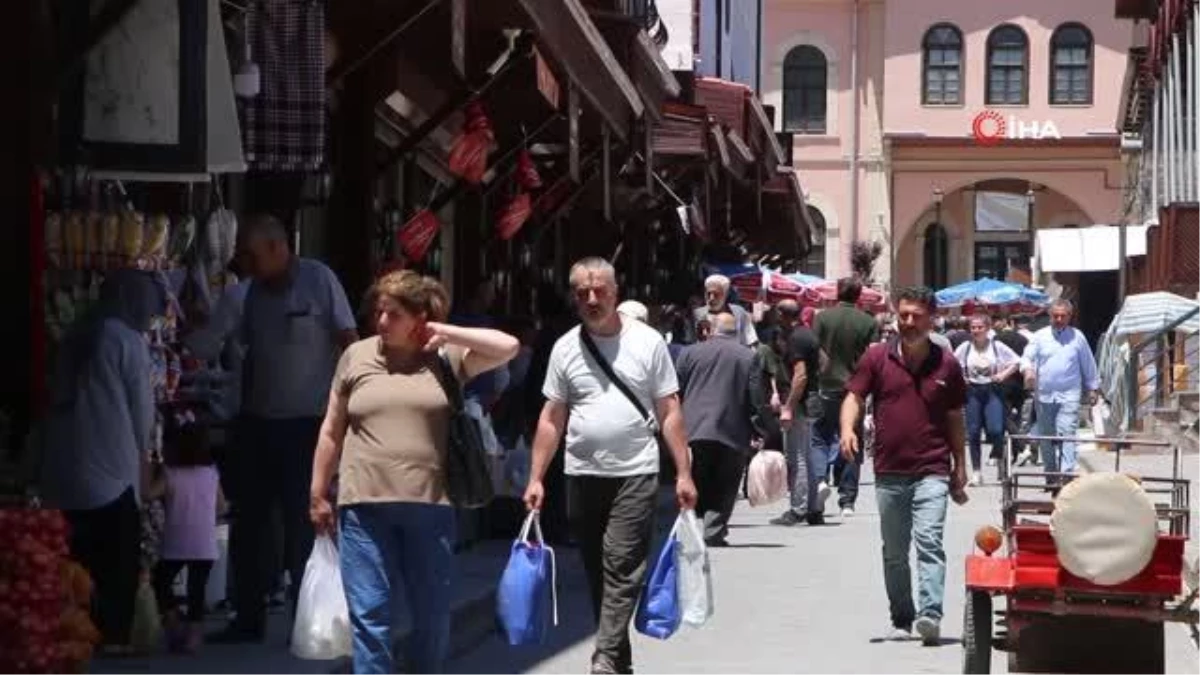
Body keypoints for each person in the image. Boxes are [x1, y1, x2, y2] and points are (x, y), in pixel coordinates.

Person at [309, 270, 519, 675]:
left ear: (419, 318)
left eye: (393, 314)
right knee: (370, 614)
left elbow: (508, 347)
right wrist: (318, 492)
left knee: (432, 613)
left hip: (429, 505)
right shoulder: (356, 356)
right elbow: (331, 430)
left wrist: (446, 331)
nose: (381, 322)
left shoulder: (445, 357)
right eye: (379, 313)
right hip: (363, 505)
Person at [523, 257, 697, 675]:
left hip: (635, 471)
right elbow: (552, 418)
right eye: (583, 292)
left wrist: (684, 470)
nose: (592, 298)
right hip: (581, 474)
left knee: (621, 562)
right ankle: (619, 662)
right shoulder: (565, 347)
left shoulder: (648, 342)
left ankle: (603, 656)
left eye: (599, 290)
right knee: (597, 570)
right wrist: (536, 477)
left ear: (616, 293)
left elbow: (669, 409)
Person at [206, 214, 359, 643]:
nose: (248, 265)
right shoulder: (249, 294)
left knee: (302, 523)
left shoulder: (319, 280)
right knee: (250, 522)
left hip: (308, 424)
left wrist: (352, 408)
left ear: (278, 248)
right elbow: (231, 346)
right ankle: (248, 616)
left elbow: (350, 341)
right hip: (256, 422)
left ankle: (307, 618)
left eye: (254, 256)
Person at [40, 270, 165, 655]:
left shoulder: (77, 334)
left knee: (76, 557)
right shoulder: (126, 340)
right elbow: (142, 410)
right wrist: (148, 458)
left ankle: (75, 631)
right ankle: (112, 635)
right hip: (111, 468)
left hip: (62, 468)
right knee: (116, 558)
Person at [839, 286, 969, 646]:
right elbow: (854, 396)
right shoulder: (877, 357)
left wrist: (960, 465)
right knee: (894, 551)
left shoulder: (947, 363)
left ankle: (930, 614)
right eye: (904, 315)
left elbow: (955, 416)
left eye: (916, 316)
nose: (908, 322)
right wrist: (847, 428)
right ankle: (902, 615)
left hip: (932, 468)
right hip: (889, 470)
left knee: (928, 541)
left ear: (932, 319)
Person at [675, 313, 763, 546]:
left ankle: (693, 525)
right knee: (726, 482)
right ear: (735, 333)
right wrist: (760, 429)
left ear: (710, 330)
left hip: (694, 428)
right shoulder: (748, 356)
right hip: (731, 429)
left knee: (697, 478)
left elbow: (676, 390)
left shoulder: (689, 353)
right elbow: (755, 398)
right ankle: (713, 530)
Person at [151, 418, 226, 653]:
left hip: (176, 542)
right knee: (197, 591)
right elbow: (221, 506)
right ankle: (194, 637)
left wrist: (144, 466)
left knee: (160, 581)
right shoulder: (211, 473)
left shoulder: (171, 474)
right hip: (204, 544)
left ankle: (173, 623)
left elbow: (148, 493)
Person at [812, 277, 879, 517]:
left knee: (820, 436)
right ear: (859, 295)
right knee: (852, 440)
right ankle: (847, 500)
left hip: (825, 385)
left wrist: (823, 368)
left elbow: (814, 348)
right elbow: (873, 356)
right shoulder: (868, 322)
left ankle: (820, 479)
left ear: (838, 292)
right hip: (855, 387)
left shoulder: (822, 318)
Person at [1021, 298, 1099, 485]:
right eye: (1055, 315)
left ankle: (1066, 475)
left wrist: (1093, 388)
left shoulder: (1077, 337)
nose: (1058, 319)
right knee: (1047, 437)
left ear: (1069, 317)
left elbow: (1088, 364)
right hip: (1044, 394)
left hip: (1069, 394)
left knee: (1067, 433)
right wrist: (1028, 369)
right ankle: (1051, 474)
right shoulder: (1039, 336)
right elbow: (1027, 357)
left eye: (1063, 316)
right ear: (1050, 315)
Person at [953, 314, 1020, 486]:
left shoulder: (996, 346)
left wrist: (1002, 374)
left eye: (979, 327)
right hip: (972, 391)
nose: (976, 331)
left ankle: (998, 454)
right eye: (973, 327)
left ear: (987, 329)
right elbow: (952, 364)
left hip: (992, 390)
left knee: (996, 429)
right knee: (973, 432)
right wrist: (961, 377)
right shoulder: (965, 347)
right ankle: (976, 472)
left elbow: (1016, 362)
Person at [693, 274, 758, 347]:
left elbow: (750, 340)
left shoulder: (739, 312)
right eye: (708, 294)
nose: (711, 298)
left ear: (725, 294)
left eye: (716, 294)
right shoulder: (698, 314)